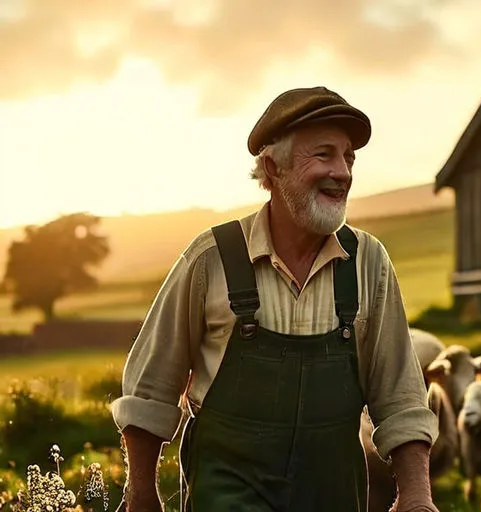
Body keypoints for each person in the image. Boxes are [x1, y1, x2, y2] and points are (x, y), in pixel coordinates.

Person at [111, 86, 440, 511]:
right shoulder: (210, 259)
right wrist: (141, 495)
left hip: (333, 493)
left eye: (349, 157)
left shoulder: (368, 261)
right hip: (227, 493)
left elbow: (400, 395)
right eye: (323, 155)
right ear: (272, 166)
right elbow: (149, 390)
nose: (342, 171)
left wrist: (415, 493)